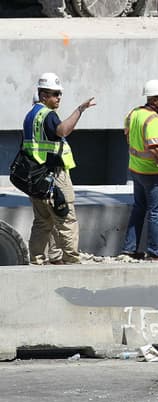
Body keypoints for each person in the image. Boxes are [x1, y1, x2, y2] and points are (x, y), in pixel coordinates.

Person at [23, 72, 95, 265]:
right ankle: (71, 259)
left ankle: (38, 259)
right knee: (66, 218)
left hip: (35, 176)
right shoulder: (48, 114)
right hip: (54, 175)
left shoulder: (31, 116)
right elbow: (63, 130)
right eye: (55, 94)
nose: (59, 98)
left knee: (43, 221)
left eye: (59, 93)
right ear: (44, 95)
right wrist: (80, 110)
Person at [121, 80, 158, 262]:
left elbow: (131, 137)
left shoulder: (134, 113)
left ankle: (129, 250)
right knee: (155, 213)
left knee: (138, 209)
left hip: (135, 169)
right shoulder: (153, 120)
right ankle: (154, 253)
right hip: (152, 173)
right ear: (153, 100)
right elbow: (153, 149)